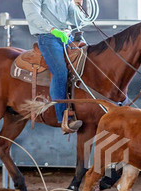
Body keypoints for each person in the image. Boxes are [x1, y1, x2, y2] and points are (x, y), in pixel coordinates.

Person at [22, 0, 84, 133]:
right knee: (60, 72)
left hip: (67, 36)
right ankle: (63, 118)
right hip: (48, 37)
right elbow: (33, 16)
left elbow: (77, 20)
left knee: (87, 63)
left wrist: (78, 6)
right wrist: (52, 30)